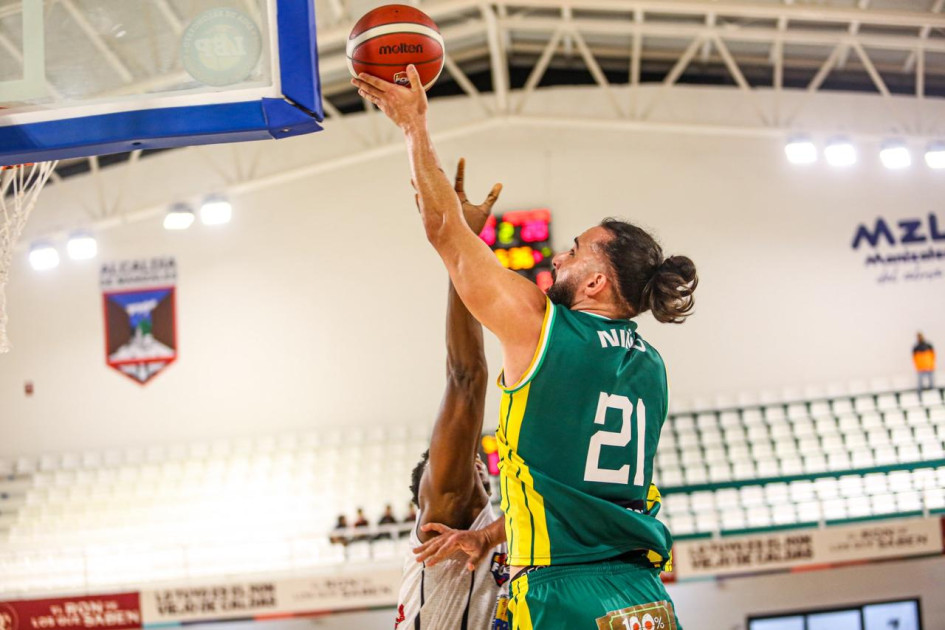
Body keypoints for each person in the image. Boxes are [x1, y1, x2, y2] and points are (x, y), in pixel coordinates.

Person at [353, 66, 697, 629]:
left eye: (575, 251)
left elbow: (445, 231)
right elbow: (572, 495)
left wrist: (414, 126)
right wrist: (487, 534)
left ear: (595, 284)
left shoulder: (544, 331)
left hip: (563, 594)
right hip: (642, 596)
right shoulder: (651, 367)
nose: (558, 258)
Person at [394, 161, 510, 629]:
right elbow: (465, 376)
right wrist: (463, 246)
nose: (472, 462)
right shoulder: (444, 507)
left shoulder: (478, 525)